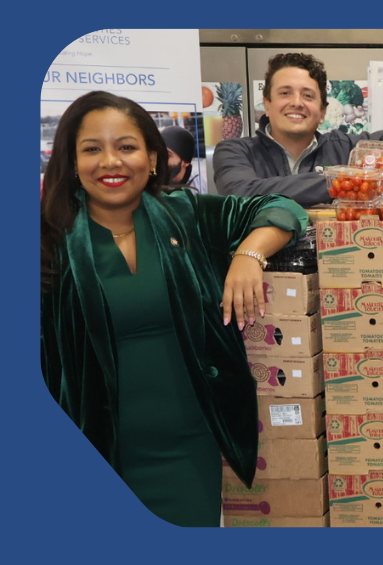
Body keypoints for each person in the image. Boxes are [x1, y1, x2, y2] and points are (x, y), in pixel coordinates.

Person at [41, 91, 307, 527]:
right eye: (92, 149)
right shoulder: (47, 243)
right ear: (71, 162)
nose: (110, 161)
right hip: (96, 450)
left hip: (188, 452)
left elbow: (284, 208)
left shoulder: (185, 217)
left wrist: (248, 256)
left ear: (152, 159)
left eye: (126, 147)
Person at [211, 52, 383, 206]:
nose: (297, 102)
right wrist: (343, 180)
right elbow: (242, 194)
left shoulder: (346, 148)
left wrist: (382, 171)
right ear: (267, 105)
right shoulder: (234, 151)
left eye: (308, 95)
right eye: (285, 93)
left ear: (322, 112)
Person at [161, 125, 201, 191]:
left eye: (167, 155)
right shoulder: (149, 183)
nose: (160, 159)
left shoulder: (199, 186)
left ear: (186, 162)